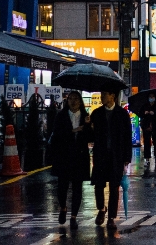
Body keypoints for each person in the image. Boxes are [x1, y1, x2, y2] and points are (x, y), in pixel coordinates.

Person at [90, 84, 133, 230]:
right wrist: (88, 126)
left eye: (104, 94)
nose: (102, 97)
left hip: (116, 156)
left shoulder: (122, 114)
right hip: (100, 155)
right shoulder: (96, 114)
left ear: (112, 96)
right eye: (101, 94)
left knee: (114, 187)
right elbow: (91, 136)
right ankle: (102, 209)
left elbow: (128, 137)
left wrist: (127, 158)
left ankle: (111, 218)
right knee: (98, 185)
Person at [50, 91, 92, 229]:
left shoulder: (86, 117)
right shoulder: (61, 116)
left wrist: (87, 127)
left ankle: (74, 216)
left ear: (80, 101)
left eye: (76, 99)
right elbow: (56, 134)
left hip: (79, 157)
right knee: (62, 187)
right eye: (70, 99)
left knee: (77, 188)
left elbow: (91, 138)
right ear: (67, 101)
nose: (73, 101)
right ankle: (63, 207)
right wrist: (73, 131)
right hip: (64, 156)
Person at [141, 91, 156, 167]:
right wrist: (145, 113)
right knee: (147, 143)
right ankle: (147, 159)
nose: (151, 98)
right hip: (146, 126)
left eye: (152, 96)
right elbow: (140, 114)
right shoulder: (144, 106)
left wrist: (154, 113)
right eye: (150, 97)